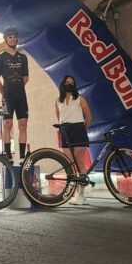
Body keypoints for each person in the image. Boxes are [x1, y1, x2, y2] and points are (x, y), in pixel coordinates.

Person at [0, 26, 29, 165]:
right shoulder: (0, 58)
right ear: (5, 39)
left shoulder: (23, 58)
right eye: (10, 37)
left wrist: (17, 88)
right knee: (8, 124)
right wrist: (4, 93)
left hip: (21, 95)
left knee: (23, 124)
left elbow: (25, 78)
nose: (13, 39)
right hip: (7, 96)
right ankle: (8, 155)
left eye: (15, 37)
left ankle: (22, 156)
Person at [55, 75, 92, 205]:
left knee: (80, 163)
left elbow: (89, 116)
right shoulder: (58, 101)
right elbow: (59, 117)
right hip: (64, 130)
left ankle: (81, 194)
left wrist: (82, 129)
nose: (69, 84)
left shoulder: (79, 98)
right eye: (67, 82)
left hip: (78, 129)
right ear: (62, 84)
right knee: (69, 164)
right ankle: (75, 192)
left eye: (72, 82)